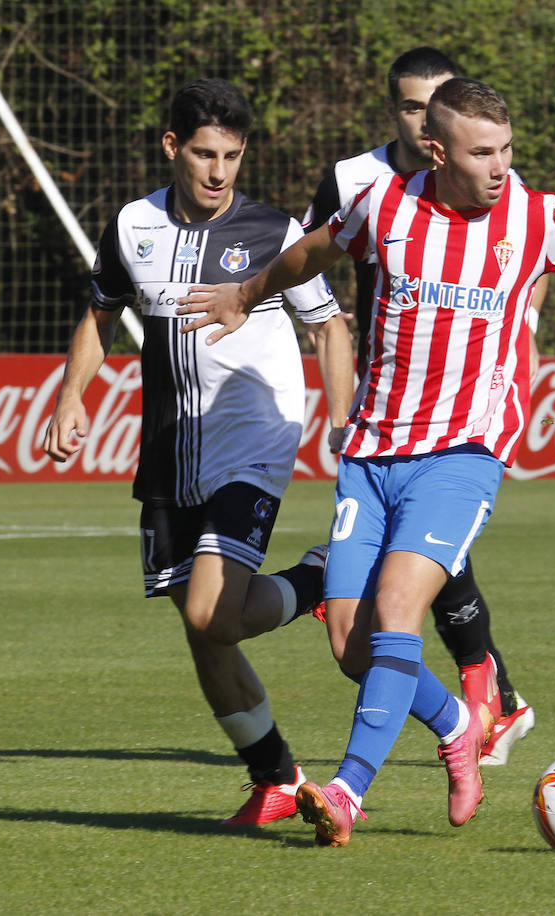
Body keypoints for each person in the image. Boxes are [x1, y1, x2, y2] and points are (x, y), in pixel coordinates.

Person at [176, 77, 555, 847]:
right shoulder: (385, 205)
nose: (500, 167)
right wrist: (246, 292)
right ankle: (457, 727)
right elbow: (310, 252)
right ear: (437, 151)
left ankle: (345, 793)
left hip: (465, 451)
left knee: (399, 609)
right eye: (481, 153)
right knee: (352, 645)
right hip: (373, 451)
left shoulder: (533, 218)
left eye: (506, 149)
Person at [42, 78, 355, 828]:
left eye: (233, 156)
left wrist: (341, 418)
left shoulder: (274, 232)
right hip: (170, 449)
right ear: (172, 147)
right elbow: (101, 312)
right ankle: (274, 776)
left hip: (255, 438)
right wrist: (71, 395)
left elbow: (331, 327)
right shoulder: (132, 225)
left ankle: (317, 581)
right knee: (200, 623)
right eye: (206, 154)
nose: (219, 172)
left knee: (214, 612)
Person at [302, 46, 534, 767]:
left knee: (419, 582)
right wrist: (342, 404)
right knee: (384, 613)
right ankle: (485, 702)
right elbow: (314, 281)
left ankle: (479, 698)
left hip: (455, 419)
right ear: (403, 115)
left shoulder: (493, 180)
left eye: (434, 100)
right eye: (409, 103)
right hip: (382, 415)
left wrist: (512, 375)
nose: (420, 114)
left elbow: (525, 285)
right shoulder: (357, 181)